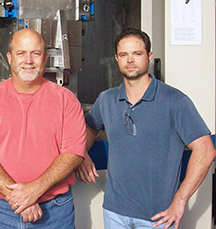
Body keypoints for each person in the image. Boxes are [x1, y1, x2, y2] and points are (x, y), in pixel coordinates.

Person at [76, 28, 216, 229]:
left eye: (137, 53)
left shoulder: (174, 101)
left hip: (158, 218)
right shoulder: (106, 99)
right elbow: (89, 127)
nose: (130, 60)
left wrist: (180, 200)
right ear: (116, 58)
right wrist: (82, 153)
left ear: (149, 56)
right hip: (114, 213)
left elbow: (205, 150)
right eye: (124, 55)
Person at [0, 28, 86, 228]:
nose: (28, 60)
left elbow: (73, 154)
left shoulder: (67, 101)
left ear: (45, 58)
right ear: (9, 58)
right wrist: (20, 199)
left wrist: (33, 191)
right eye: (21, 53)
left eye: (36, 53)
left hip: (54, 211)